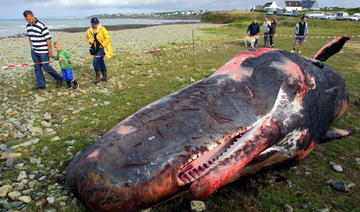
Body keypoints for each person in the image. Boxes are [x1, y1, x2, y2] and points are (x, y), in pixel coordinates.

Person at [23, 10, 63, 90]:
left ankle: (59, 78)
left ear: (33, 16)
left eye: (29, 19)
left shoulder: (41, 26)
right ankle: (41, 85)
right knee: (37, 68)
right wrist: (31, 47)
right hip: (34, 51)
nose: (28, 21)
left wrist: (50, 51)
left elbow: (48, 39)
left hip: (43, 52)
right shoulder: (28, 26)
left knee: (46, 67)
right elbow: (30, 37)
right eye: (26, 19)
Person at [86, 17, 114, 83]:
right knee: (100, 61)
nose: (96, 25)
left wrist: (103, 45)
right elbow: (88, 38)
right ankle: (105, 77)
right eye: (94, 24)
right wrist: (90, 41)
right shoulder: (89, 30)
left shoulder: (102, 29)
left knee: (95, 61)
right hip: (95, 48)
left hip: (103, 48)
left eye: (97, 23)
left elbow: (108, 38)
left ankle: (98, 77)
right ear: (92, 24)